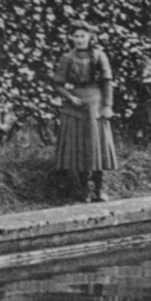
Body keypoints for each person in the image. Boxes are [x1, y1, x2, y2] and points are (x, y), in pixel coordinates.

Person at [52, 20, 117, 202]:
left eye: (83, 36)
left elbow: (107, 82)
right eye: (76, 36)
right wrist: (70, 97)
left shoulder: (99, 55)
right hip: (76, 106)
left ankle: (99, 187)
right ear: (71, 38)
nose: (79, 40)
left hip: (96, 103)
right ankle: (84, 189)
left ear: (90, 37)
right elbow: (57, 84)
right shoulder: (67, 57)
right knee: (81, 148)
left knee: (97, 146)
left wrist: (108, 106)